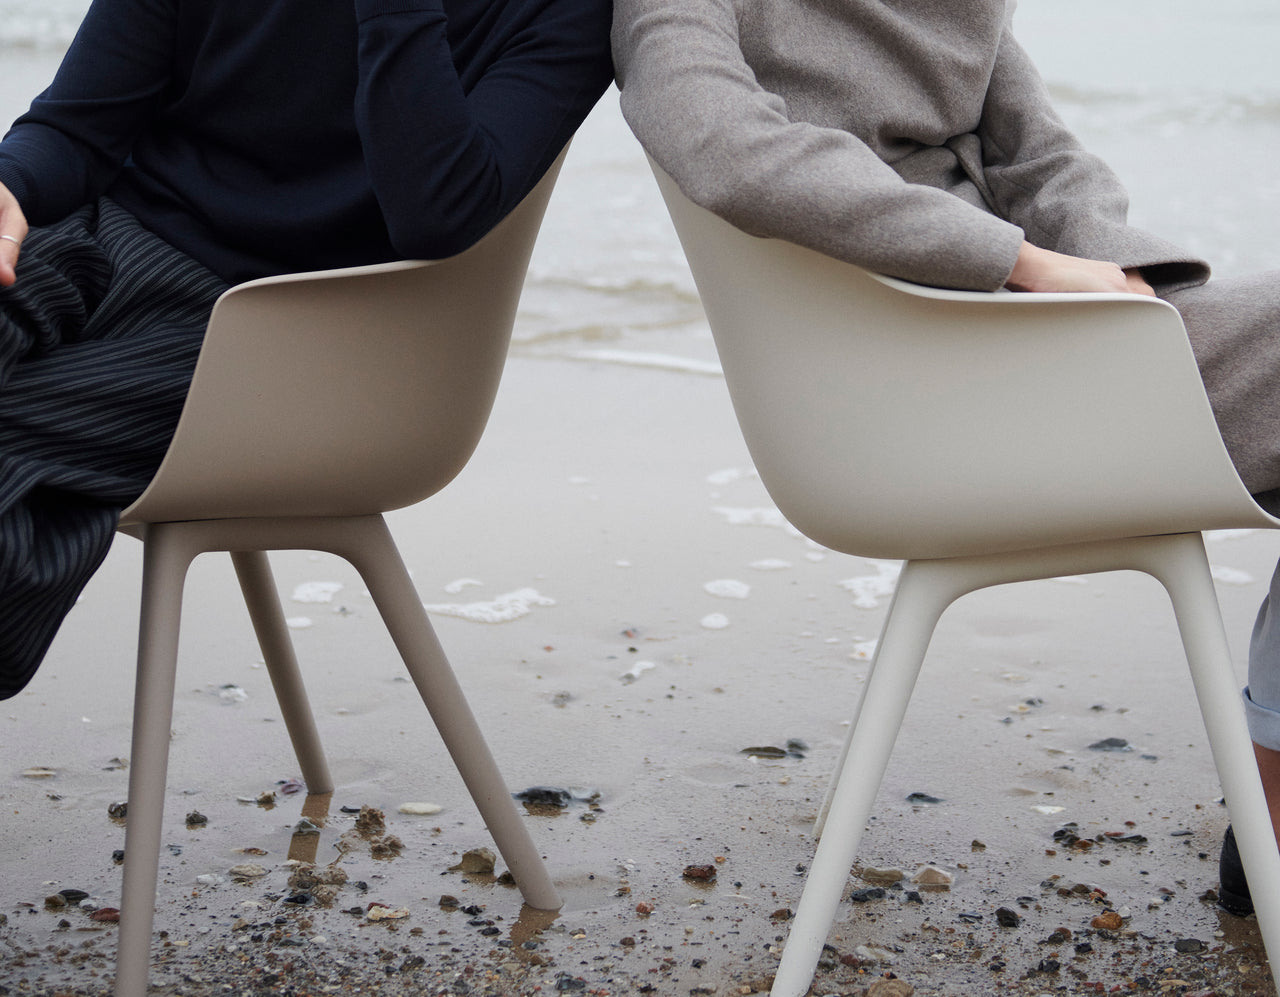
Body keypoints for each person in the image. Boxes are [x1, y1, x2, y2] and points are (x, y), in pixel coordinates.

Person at [611, 0, 1280, 914]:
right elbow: (724, 149)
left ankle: (1270, 821)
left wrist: (1109, 278)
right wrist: (1021, 262)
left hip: (1031, 352)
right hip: (911, 398)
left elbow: (1045, 160)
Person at [0, 0, 613, 700]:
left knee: (13, 440)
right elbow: (75, 128)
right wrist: (11, 181)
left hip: (301, 338)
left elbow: (435, 213)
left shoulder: (569, 12)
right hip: (103, 245)